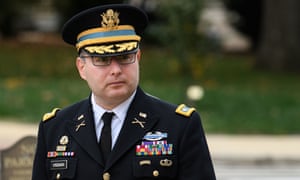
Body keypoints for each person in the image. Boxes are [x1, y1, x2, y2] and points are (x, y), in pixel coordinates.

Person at [32, 4, 216, 180]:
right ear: (81, 67)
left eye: (124, 57)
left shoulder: (179, 126)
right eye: (102, 60)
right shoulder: (55, 128)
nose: (116, 70)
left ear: (138, 58)